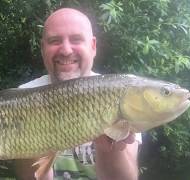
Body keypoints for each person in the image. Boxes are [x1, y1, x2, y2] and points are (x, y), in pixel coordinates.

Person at [13, 8, 141, 180]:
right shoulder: (21, 97)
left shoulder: (120, 91)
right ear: (43, 48)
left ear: (93, 46)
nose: (66, 50)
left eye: (76, 39)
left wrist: (108, 147)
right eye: (54, 40)